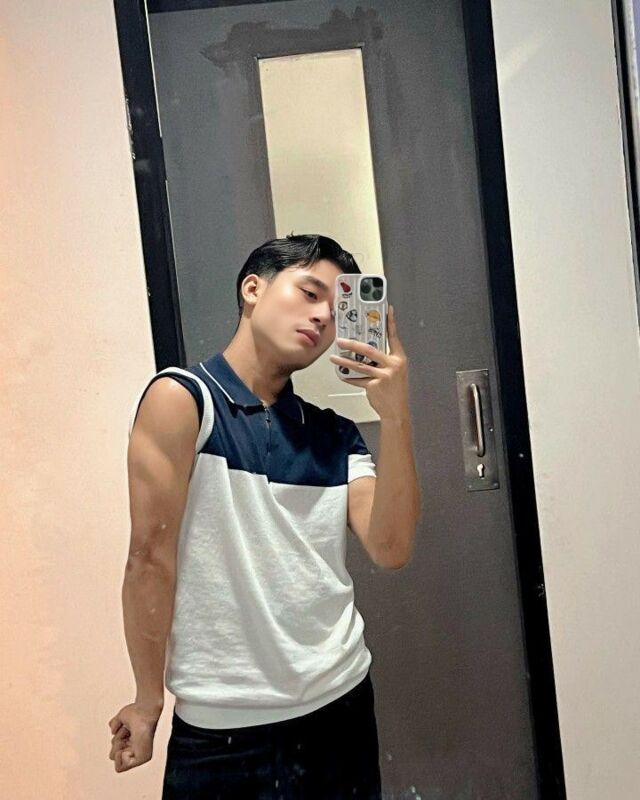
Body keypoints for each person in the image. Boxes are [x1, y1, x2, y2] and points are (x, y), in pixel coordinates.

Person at [108, 234, 421, 798]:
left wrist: (395, 415)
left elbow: (391, 548)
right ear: (253, 289)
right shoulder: (183, 401)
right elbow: (149, 559)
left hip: (340, 705)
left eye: (336, 309)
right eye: (310, 293)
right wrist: (148, 700)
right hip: (222, 727)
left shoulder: (334, 435)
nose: (323, 316)